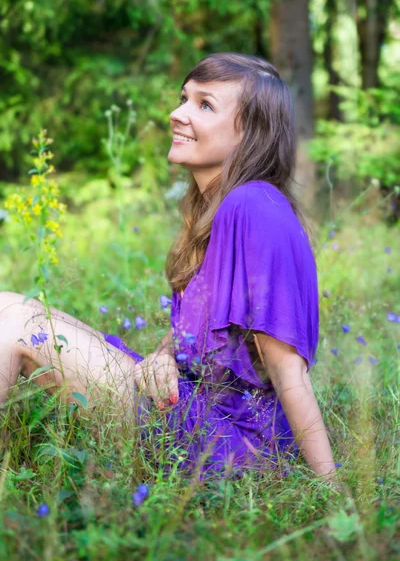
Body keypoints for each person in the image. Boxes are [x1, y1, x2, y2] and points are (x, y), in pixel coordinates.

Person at [0, 52, 337, 482]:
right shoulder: (222, 208)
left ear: (250, 133)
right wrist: (164, 357)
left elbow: (289, 371)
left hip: (234, 447)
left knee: (18, 328)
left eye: (205, 105)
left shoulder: (252, 207)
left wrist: (330, 492)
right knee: (9, 306)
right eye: (184, 98)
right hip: (193, 409)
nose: (177, 114)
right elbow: (204, 328)